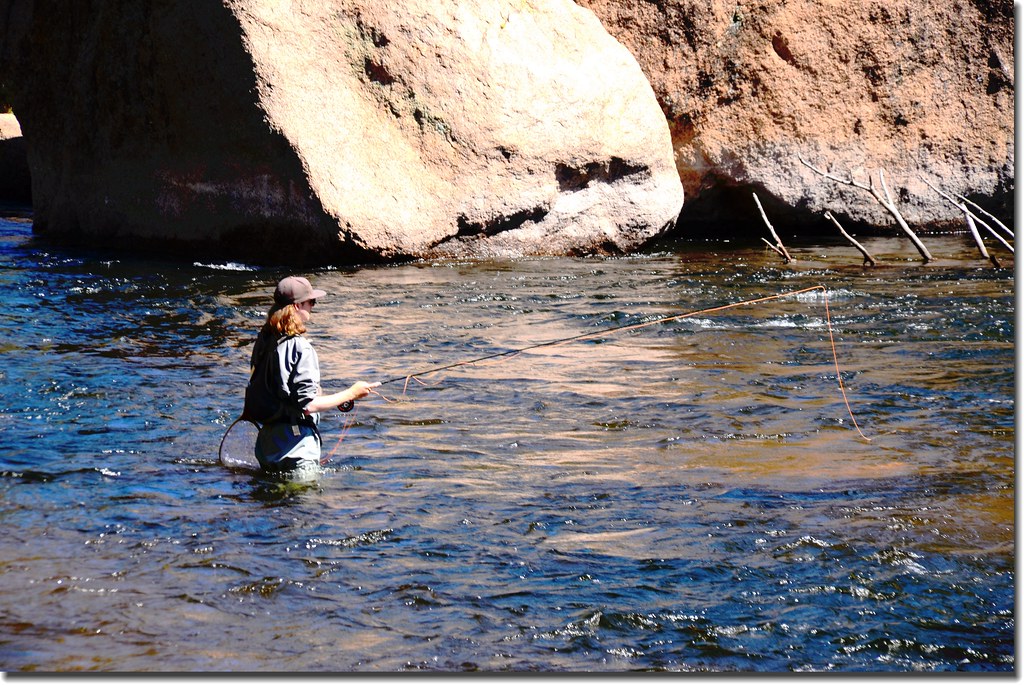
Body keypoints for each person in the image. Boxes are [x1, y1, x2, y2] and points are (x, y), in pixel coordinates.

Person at [248, 275, 377, 478]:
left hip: (267, 446)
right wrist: (351, 393)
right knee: (305, 507)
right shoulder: (301, 347)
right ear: (298, 305)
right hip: (296, 449)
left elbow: (282, 391)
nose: (313, 306)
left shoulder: (264, 340)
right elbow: (307, 405)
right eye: (311, 301)